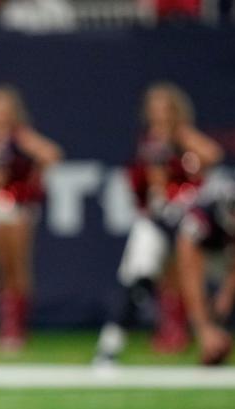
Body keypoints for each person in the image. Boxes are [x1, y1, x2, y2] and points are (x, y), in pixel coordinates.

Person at [94, 82, 223, 364]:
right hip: (156, 216)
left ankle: (186, 332)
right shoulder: (147, 141)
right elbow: (138, 182)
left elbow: (212, 155)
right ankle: (111, 342)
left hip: (187, 217)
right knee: (136, 274)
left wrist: (179, 135)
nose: (159, 114)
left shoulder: (182, 135)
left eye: (165, 108)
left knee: (190, 279)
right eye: (154, 108)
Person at [0, 84, 62, 351]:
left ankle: (19, 327)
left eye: (3, 109)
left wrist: (32, 179)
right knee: (0, 267)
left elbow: (51, 154)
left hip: (17, 206)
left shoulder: (20, 135)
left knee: (18, 266)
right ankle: (5, 324)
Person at [175, 183, 235, 365]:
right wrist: (203, 328)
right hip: (198, 261)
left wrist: (226, 297)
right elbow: (188, 271)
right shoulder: (201, 219)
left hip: (226, 261)